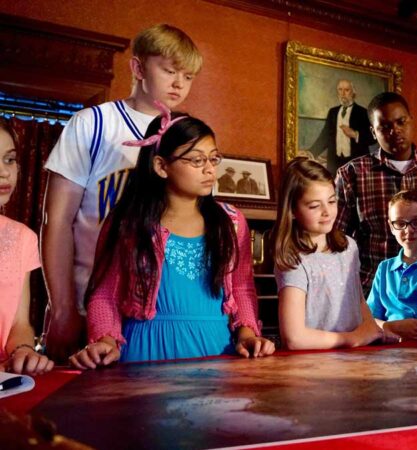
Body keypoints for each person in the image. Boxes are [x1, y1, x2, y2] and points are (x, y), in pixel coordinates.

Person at [41, 24, 203, 362]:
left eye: (187, 77)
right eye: (170, 71)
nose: (178, 84)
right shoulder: (92, 123)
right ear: (138, 67)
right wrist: (63, 307)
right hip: (94, 299)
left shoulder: (187, 137)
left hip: (164, 311)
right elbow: (56, 221)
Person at [68, 106, 274, 369]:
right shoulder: (129, 222)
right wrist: (105, 340)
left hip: (217, 356)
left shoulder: (231, 223)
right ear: (161, 166)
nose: (210, 169)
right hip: (145, 354)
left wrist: (247, 335)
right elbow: (105, 293)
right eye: (197, 160)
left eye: (213, 159)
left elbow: (243, 289)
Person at [272, 158, 394, 350]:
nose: (327, 212)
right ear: (292, 210)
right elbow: (294, 338)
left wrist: (373, 330)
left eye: (331, 201)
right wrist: (351, 339)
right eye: (314, 206)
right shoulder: (294, 260)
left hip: (356, 356)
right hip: (315, 362)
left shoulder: (349, 247)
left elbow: (357, 299)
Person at [335, 92, 417, 294]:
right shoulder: (352, 174)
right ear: (374, 132)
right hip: (371, 292)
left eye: (401, 122)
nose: (395, 130)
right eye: (385, 127)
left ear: (411, 121)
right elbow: (337, 239)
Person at [0, 119, 54, 376]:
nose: (4, 172)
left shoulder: (22, 237)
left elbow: (19, 323)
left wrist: (23, 350)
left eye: (9, 159)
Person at [367, 189, 417, 340]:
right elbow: (368, 320)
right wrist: (390, 327)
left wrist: (387, 327)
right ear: (391, 226)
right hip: (386, 348)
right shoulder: (384, 269)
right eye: (400, 223)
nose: (409, 230)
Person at [308, 79, 375, 174]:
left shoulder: (363, 112)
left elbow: (373, 137)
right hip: (335, 164)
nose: (343, 93)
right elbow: (324, 137)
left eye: (347, 90)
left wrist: (355, 134)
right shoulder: (333, 112)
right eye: (340, 90)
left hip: (356, 164)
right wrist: (311, 153)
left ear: (353, 93)